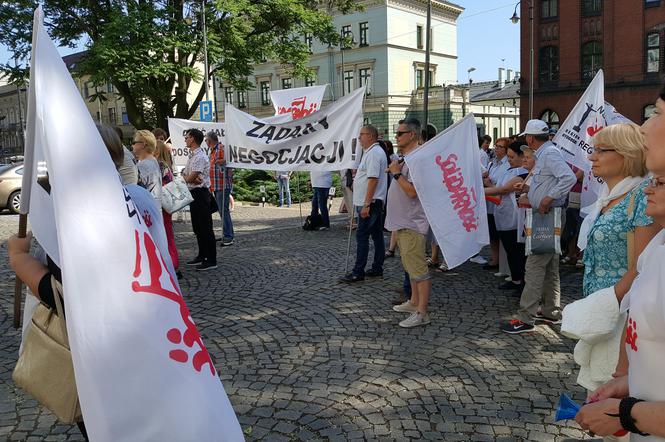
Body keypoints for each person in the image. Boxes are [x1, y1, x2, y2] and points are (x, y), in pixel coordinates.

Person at [574, 88, 665, 440]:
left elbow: (636, 274)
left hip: (616, 317)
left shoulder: (639, 201)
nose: (592, 157)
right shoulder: (608, 199)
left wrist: (627, 414)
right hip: (612, 319)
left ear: (625, 156)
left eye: (657, 112)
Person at [501, 119, 576, 334]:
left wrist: (547, 199)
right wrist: (530, 190)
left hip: (547, 215)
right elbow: (549, 180)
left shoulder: (549, 153)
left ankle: (526, 317)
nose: (525, 139)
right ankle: (551, 311)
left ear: (530, 138)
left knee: (534, 265)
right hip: (548, 215)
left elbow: (568, 178)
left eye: (526, 137)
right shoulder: (545, 153)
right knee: (550, 265)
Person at [387, 118, 432, 328]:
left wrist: (396, 174)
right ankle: (414, 302)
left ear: (412, 135)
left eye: (400, 134)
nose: (396, 137)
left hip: (413, 222)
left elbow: (413, 191)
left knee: (419, 270)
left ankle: (422, 313)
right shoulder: (408, 158)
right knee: (410, 267)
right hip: (403, 222)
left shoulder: (418, 159)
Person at [340, 125, 388, 283]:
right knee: (376, 236)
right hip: (371, 202)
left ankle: (358, 271)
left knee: (362, 236)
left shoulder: (374, 153)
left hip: (370, 203)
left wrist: (367, 204)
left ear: (371, 136)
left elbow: (373, 179)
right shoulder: (371, 152)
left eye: (362, 134)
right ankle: (376, 268)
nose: (359, 137)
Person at [484, 141, 528, 292]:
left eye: (512, 156)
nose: (509, 159)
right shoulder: (510, 169)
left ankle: (522, 282)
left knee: (517, 251)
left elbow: (503, 189)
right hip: (502, 214)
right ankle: (515, 279)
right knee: (509, 250)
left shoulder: (522, 172)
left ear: (522, 156)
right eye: (508, 156)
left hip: (514, 217)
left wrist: (479, 191)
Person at [183, 128, 217, 270]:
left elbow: (189, 177)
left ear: (193, 139)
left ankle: (211, 259)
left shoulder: (199, 156)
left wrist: (187, 178)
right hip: (194, 193)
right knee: (197, 227)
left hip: (201, 194)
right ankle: (202, 255)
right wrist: (188, 177)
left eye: (187, 137)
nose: (185, 139)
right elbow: (187, 174)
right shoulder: (193, 156)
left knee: (205, 227)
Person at [480, 138, 510, 269]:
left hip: (501, 203)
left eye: (500, 147)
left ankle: (504, 263)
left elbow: (504, 186)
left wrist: (490, 184)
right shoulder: (493, 163)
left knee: (502, 234)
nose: (496, 149)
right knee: (492, 233)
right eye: (496, 146)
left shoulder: (508, 165)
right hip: (490, 203)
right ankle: (495, 259)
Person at [155, 138, 181, 274]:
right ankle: (174, 262)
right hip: (167, 206)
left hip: (163, 205)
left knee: (165, 235)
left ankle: (172, 264)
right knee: (169, 235)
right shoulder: (166, 165)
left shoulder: (159, 166)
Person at [206, 131, 234, 246]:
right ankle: (225, 233)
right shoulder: (212, 150)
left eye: (206, 140)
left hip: (222, 185)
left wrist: (223, 162)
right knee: (222, 211)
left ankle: (229, 236)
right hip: (216, 185)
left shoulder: (221, 148)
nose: (205, 142)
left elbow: (230, 163)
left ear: (210, 140)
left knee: (224, 210)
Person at [132, 130, 162, 208]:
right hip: (153, 208)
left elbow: (134, 190)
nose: (132, 145)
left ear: (143, 145)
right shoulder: (153, 161)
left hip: (146, 210)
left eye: (134, 143)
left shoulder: (144, 165)